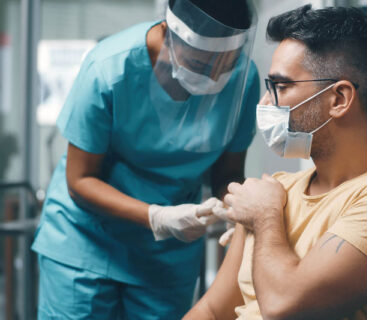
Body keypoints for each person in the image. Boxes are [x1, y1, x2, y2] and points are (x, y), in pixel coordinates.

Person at [185, 5, 367, 320]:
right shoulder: (277, 189)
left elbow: (285, 306)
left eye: (281, 87)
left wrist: (265, 218)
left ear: (339, 99)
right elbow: (212, 310)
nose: (266, 103)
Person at [31, 0, 259, 318]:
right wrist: (158, 218)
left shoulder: (243, 80)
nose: (213, 77)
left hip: (167, 256)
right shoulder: (108, 68)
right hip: (87, 241)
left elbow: (228, 173)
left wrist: (238, 211)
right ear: (167, 32)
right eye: (198, 62)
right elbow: (80, 180)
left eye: (225, 64)